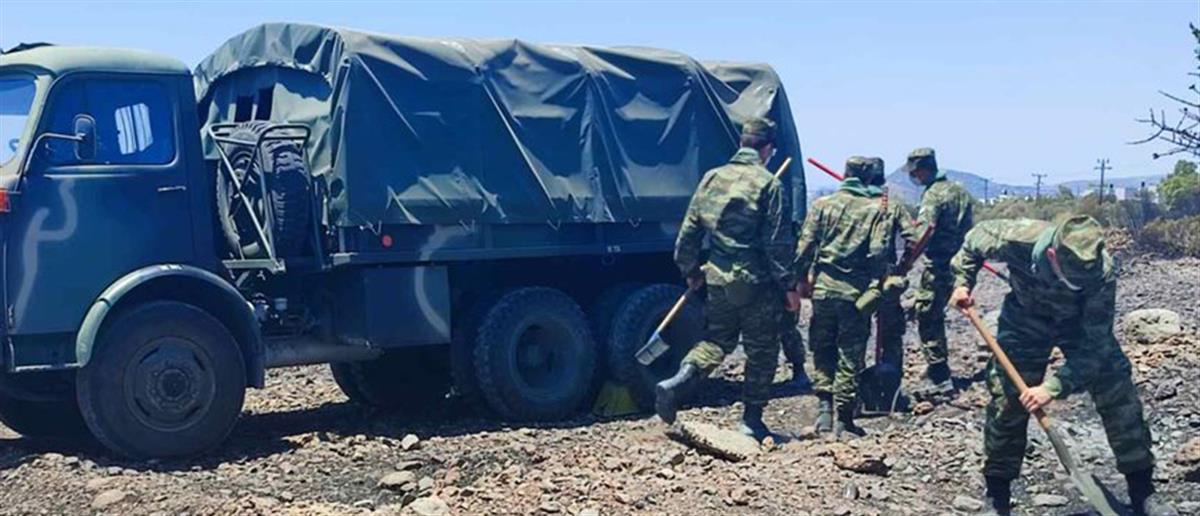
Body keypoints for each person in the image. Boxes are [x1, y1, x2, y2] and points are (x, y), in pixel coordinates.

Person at [949, 216, 1175, 516]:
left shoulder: (1102, 271)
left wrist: (1053, 388)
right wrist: (962, 283)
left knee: (1116, 387)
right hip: (1026, 319)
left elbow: (1095, 346)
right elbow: (971, 243)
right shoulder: (1014, 237)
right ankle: (997, 496)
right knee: (1007, 401)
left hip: (1078, 324)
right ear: (1052, 255)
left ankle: (1142, 491)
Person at [655, 117, 799, 441]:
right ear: (767, 149)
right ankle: (751, 421)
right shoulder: (769, 184)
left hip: (718, 280)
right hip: (756, 284)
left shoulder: (711, 178)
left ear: (741, 143)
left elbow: (688, 235)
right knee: (762, 351)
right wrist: (789, 286)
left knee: (716, 342)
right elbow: (777, 244)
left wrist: (691, 272)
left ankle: (676, 383)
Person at [793, 156, 898, 438]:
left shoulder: (822, 205)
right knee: (850, 353)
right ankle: (845, 419)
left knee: (822, 348)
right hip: (855, 294)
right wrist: (878, 281)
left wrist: (800, 281)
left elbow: (804, 248)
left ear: (845, 174)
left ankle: (824, 412)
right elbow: (878, 252)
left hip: (823, 291)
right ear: (868, 178)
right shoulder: (875, 210)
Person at [904, 148, 973, 400]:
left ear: (922, 170)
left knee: (928, 315)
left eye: (914, 173)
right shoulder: (960, 191)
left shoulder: (933, 194)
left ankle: (940, 376)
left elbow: (925, 231)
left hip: (939, 265)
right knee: (941, 311)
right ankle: (937, 366)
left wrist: (907, 263)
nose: (914, 178)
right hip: (962, 263)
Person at [858, 157, 916, 413]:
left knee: (855, 336)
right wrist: (903, 267)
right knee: (892, 335)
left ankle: (855, 395)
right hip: (885, 282)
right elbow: (913, 238)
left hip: (857, 283)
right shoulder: (892, 207)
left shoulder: (852, 204)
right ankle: (890, 392)